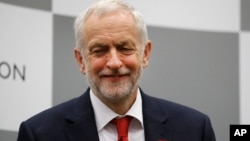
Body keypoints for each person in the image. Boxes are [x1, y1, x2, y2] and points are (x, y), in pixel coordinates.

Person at [17, 0, 216, 141]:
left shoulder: (194, 130)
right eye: (99, 50)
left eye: (125, 48)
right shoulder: (39, 134)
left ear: (145, 54)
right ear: (80, 60)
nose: (113, 62)